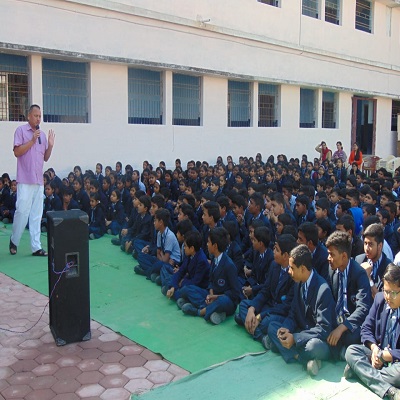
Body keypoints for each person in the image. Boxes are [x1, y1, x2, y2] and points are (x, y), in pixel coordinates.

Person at [266, 244, 336, 376]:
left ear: (303, 269)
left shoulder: (323, 290)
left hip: (317, 339)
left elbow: (324, 329)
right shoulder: (298, 283)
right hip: (301, 331)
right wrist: (286, 328)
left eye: (292, 268)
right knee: (273, 327)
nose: (288, 271)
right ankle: (301, 359)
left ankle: (289, 350)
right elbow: (293, 312)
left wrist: (296, 338)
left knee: (312, 347)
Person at [344, 263, 400, 400]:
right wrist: (374, 348)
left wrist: (385, 356)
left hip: (395, 362)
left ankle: (360, 372)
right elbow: (366, 328)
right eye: (386, 291)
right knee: (351, 351)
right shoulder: (380, 300)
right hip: (376, 355)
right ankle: (389, 390)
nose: (388, 297)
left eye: (393, 293)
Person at [9, 104, 55, 256]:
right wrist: (31, 141)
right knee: (22, 211)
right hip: (25, 179)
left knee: (36, 214)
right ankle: (14, 240)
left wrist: (50, 146)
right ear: (29, 116)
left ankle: (36, 247)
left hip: (38, 181)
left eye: (40, 116)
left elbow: (45, 158)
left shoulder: (41, 135)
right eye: (36, 116)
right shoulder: (21, 131)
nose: (38, 118)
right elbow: (17, 152)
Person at [325, 231, 372, 360]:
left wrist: (341, 328)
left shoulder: (359, 274)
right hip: (337, 318)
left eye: (331, 254)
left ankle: (345, 353)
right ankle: (340, 353)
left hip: (352, 322)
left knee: (352, 336)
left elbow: (363, 308)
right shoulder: (332, 270)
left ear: (344, 256)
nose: (328, 258)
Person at [179, 227, 241, 325]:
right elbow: (211, 281)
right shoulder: (214, 259)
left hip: (225, 300)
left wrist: (216, 297)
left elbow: (235, 294)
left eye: (208, 242)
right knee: (187, 289)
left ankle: (200, 311)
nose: (207, 245)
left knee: (222, 301)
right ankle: (213, 311)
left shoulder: (229, 265)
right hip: (213, 295)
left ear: (215, 246)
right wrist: (211, 294)